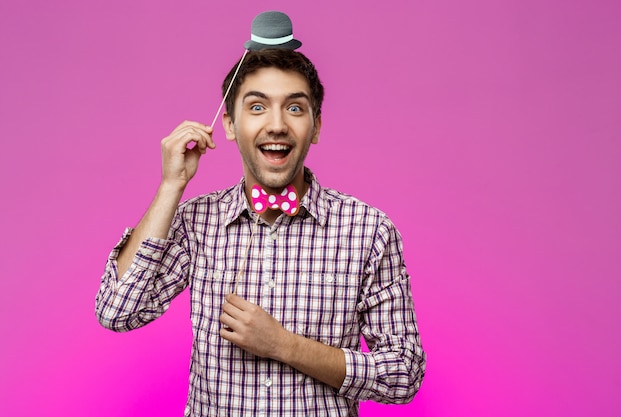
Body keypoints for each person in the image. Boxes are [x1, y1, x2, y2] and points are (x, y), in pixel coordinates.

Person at [96, 48, 426, 417]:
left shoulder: (368, 230)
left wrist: (284, 345)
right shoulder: (196, 222)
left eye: (295, 108)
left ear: (315, 127)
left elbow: (404, 373)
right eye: (256, 107)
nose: (276, 125)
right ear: (229, 125)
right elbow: (116, 311)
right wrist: (171, 186)